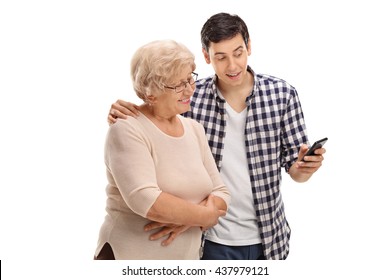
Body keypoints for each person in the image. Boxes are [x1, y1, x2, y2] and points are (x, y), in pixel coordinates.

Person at [107, 13, 326, 260]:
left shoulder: (282, 94)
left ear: (249, 46)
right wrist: (124, 113)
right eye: (220, 57)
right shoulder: (191, 96)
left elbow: (295, 172)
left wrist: (304, 168)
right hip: (209, 239)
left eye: (238, 52)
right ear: (206, 56)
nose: (232, 66)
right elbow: (156, 115)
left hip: (269, 236)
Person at [94, 39, 230, 260]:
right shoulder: (127, 128)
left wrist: (190, 218)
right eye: (178, 84)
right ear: (150, 93)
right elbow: (145, 199)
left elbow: (222, 192)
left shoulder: (194, 129)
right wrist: (204, 216)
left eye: (190, 79)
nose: (189, 90)